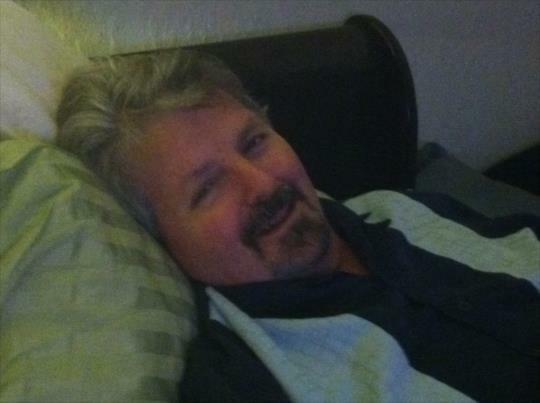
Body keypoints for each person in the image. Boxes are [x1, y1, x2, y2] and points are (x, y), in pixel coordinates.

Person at [56, 50, 539, 402]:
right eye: (208, 189)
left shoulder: (399, 209)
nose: (264, 184)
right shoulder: (243, 381)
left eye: (254, 143)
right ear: (162, 241)